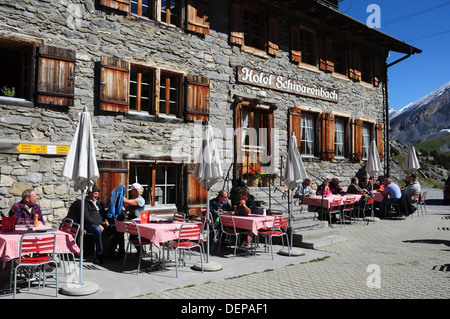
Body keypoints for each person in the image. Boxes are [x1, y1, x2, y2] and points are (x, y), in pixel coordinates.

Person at [67, 184, 109, 264]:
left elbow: (103, 213)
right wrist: (98, 225)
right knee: (97, 230)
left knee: (114, 228)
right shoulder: (84, 203)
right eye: (95, 193)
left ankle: (111, 252)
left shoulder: (99, 202)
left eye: (97, 193)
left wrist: (105, 220)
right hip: (89, 225)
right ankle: (100, 253)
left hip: (101, 223)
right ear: (89, 193)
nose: (96, 196)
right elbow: (86, 217)